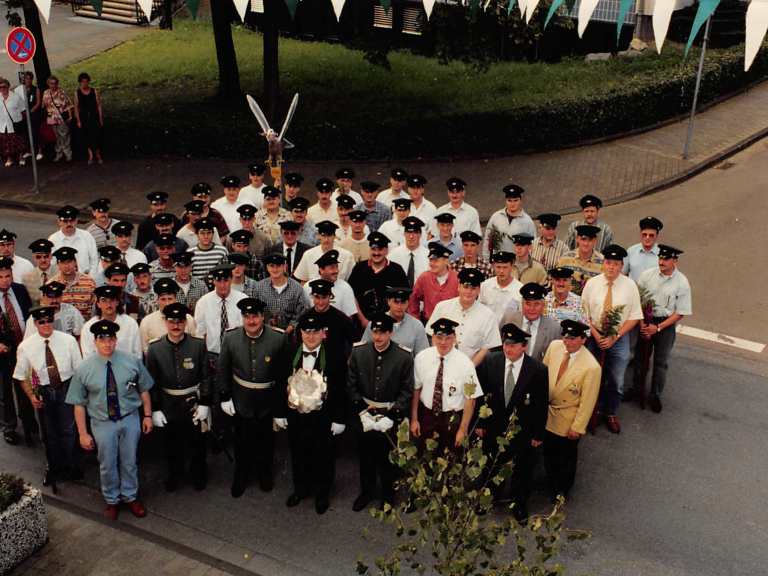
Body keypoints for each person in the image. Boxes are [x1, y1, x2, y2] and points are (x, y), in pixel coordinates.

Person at [66, 319, 154, 520]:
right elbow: (78, 403)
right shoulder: (83, 369)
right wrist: (82, 433)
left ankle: (130, 496)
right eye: (102, 339)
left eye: (111, 339)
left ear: (116, 340)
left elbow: (144, 390)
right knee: (106, 463)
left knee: (130, 460)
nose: (107, 343)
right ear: (95, 341)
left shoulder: (131, 361)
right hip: (102, 423)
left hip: (130, 418)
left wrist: (147, 415)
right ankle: (112, 499)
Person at [475, 322, 548, 521]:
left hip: (522, 430)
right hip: (493, 426)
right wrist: (480, 423)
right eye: (506, 344)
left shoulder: (538, 370)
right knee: (491, 464)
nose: (508, 349)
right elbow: (481, 396)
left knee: (523, 469)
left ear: (524, 346)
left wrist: (537, 434)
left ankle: (519, 503)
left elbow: (541, 404)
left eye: (513, 345)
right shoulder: (491, 362)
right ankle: (488, 497)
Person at [218, 298, 289, 497]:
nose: (251, 321)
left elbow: (283, 376)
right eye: (247, 317)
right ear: (242, 318)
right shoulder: (230, 338)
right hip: (242, 400)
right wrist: (225, 396)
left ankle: (264, 474)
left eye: (255, 316)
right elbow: (223, 369)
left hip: (268, 399)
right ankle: (241, 476)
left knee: (266, 442)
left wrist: (280, 409)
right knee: (242, 442)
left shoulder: (278, 338)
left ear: (262, 317)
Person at [347, 313, 414, 511]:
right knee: (365, 455)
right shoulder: (359, 352)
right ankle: (366, 492)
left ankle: (387, 495)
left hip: (389, 412)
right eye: (375, 332)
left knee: (388, 459)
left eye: (383, 333)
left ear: (390, 333)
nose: (378, 337)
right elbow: (351, 382)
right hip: (365, 410)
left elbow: (407, 389)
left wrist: (393, 414)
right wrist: (360, 408)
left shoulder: (403, 356)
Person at [284, 312, 346, 514]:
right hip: (296, 415)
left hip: (323, 417)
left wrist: (339, 418)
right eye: (306, 332)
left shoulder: (335, 355)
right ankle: (300, 489)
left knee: (323, 455)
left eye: (315, 332)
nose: (311, 336)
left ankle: (322, 494)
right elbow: (279, 383)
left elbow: (341, 389)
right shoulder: (290, 351)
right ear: (300, 333)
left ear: (323, 333)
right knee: (298, 453)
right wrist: (280, 413)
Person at [146, 302, 211, 492]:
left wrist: (205, 403)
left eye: (180, 321)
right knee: (172, 444)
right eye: (172, 321)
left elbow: (205, 375)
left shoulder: (198, 345)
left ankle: (198, 475)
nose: (176, 326)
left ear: (185, 323)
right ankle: (175, 475)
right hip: (169, 403)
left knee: (197, 443)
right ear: (165, 322)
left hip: (193, 402)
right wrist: (156, 409)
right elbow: (152, 381)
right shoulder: (155, 349)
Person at [15, 305, 83, 485]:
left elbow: (79, 370)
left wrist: (77, 395)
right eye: (41, 322)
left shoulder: (68, 341)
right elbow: (21, 376)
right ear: (35, 323)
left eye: (49, 321)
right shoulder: (26, 346)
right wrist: (31, 396)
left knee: (69, 430)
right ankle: (54, 467)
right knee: (49, 434)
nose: (46, 325)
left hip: (66, 388)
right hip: (43, 392)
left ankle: (71, 466)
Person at [581, 245, 642, 434]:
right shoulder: (592, 284)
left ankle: (611, 412)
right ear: (603, 263)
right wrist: (597, 335)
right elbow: (583, 314)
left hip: (618, 337)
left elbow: (635, 316)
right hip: (594, 335)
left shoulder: (630, 286)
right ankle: (592, 411)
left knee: (616, 378)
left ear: (622, 266)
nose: (611, 267)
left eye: (616, 264)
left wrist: (615, 337)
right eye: (608, 263)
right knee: (592, 376)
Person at [542, 320, 600, 503]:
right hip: (547, 410)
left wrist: (578, 427)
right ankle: (550, 480)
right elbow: (542, 374)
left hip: (567, 417)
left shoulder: (591, 367)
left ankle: (562, 488)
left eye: (572, 338)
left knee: (565, 456)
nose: (567, 341)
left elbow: (588, 401)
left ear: (583, 340)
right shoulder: (555, 347)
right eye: (565, 337)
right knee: (548, 451)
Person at [632, 245, 692, 413]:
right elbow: (637, 299)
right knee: (640, 357)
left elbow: (680, 312)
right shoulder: (647, 276)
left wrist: (657, 328)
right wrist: (642, 323)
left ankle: (655, 395)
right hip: (645, 320)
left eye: (666, 259)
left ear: (675, 261)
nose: (661, 262)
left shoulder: (682, 282)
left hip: (665, 326)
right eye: (660, 258)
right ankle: (637, 389)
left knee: (661, 362)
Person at [411, 317, 482, 454]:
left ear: (455, 338)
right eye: (439, 337)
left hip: (452, 419)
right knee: (425, 457)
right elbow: (416, 389)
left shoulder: (465, 364)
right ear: (433, 338)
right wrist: (414, 419)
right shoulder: (421, 358)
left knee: (450, 460)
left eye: (448, 338)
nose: (443, 342)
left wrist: (463, 429)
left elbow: (470, 399)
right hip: (427, 416)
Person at [426, 268, 501, 366]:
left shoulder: (488, 315)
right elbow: (431, 335)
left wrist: (469, 369)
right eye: (466, 287)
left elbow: (486, 347)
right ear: (459, 287)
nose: (469, 292)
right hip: (440, 364)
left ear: (478, 290)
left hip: (471, 368)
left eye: (473, 288)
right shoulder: (442, 307)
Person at [0, 256, 34, 445]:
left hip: (23, 349)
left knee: (24, 387)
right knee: (5, 391)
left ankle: (29, 423)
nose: (5, 279)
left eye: (8, 275)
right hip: (4, 352)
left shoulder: (20, 290)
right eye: (1, 276)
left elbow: (29, 315)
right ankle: (9, 426)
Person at [348, 232, 408, 325]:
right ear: (369, 250)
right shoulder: (359, 269)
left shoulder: (396, 270)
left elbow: (404, 298)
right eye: (373, 249)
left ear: (386, 251)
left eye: (380, 249)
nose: (376, 253)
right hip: (363, 323)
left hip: (391, 324)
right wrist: (363, 320)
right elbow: (351, 296)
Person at [499, 283, 561, 362]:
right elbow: (497, 347)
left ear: (543, 305)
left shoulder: (554, 328)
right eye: (528, 304)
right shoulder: (508, 319)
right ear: (522, 303)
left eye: (536, 304)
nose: (532, 308)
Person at [361, 287, 428, 356]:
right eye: (396, 302)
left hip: (406, 365)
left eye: (403, 302)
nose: (399, 306)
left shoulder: (416, 325)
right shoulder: (375, 323)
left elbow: (422, 355)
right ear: (389, 302)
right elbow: (363, 351)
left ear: (408, 303)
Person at [253, 253, 309, 334]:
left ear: (284, 267)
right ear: (267, 267)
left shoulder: (297, 288)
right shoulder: (259, 287)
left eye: (278, 266)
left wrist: (290, 327)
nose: (275, 269)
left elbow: (302, 311)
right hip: (264, 333)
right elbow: (255, 311)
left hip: (290, 336)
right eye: (272, 266)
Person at [81, 286, 142, 360]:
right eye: (104, 300)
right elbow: (87, 358)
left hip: (126, 368)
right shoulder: (88, 327)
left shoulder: (130, 324)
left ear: (117, 302)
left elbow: (137, 355)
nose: (109, 305)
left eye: (112, 300)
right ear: (98, 304)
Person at [302, 279, 356, 363]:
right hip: (311, 366)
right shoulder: (304, 318)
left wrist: (349, 361)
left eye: (324, 297)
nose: (320, 302)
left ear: (330, 296)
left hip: (336, 367)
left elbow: (354, 343)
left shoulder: (342, 319)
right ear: (312, 296)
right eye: (317, 297)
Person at [139, 279, 197, 353]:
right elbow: (146, 351)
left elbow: (194, 345)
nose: (167, 303)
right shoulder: (147, 322)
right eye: (163, 299)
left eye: (170, 299)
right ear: (157, 300)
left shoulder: (188, 319)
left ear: (175, 299)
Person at [407, 242, 459, 323]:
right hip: (428, 323)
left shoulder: (457, 279)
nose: (432, 264)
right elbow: (413, 299)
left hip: (452, 326)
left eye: (436, 261)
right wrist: (416, 321)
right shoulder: (424, 278)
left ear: (446, 261)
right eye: (431, 260)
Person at [482, 184, 536, 257]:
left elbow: (532, 246)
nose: (512, 204)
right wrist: (487, 260)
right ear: (505, 201)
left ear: (520, 201)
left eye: (515, 200)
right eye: (509, 200)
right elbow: (487, 241)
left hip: (517, 264)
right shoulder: (496, 217)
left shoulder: (527, 221)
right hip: (499, 263)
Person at [302, 250, 357, 318]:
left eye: (337, 266)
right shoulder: (308, 286)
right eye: (332, 268)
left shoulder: (345, 288)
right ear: (321, 270)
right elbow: (305, 312)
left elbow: (350, 317)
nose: (336, 271)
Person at [49, 205, 99, 275]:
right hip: (62, 279)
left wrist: (90, 278)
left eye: (71, 221)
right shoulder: (53, 239)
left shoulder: (87, 236)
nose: (69, 224)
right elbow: (52, 264)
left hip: (86, 279)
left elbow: (94, 260)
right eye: (65, 221)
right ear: (59, 221)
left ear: (76, 220)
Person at [49, 246, 96, 321]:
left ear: (75, 262)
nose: (67, 266)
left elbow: (95, 308)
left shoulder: (89, 282)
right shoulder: (51, 285)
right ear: (58, 264)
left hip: (86, 324)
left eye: (69, 262)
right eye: (63, 262)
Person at [556, 224, 604, 296]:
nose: (586, 243)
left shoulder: (602, 262)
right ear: (577, 239)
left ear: (595, 241)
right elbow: (556, 282)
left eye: (590, 240)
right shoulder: (565, 259)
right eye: (583, 239)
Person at [479, 251, 522, 322]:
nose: (501, 271)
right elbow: (480, 310)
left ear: (512, 267)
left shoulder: (519, 289)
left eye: (505, 267)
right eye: (498, 267)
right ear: (493, 266)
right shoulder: (485, 285)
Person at [388, 216, 429, 288]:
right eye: (408, 232)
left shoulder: (428, 256)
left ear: (420, 234)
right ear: (404, 234)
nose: (411, 236)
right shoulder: (393, 255)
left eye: (414, 233)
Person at [41, 75, 74, 163]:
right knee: (57, 137)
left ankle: (68, 154)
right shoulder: (46, 93)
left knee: (64, 135)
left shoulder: (61, 92)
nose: (53, 85)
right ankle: (59, 154)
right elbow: (43, 105)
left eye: (55, 83)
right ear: (48, 84)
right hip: (51, 117)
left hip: (61, 117)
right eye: (51, 83)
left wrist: (70, 116)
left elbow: (69, 105)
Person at [73, 72, 103, 165]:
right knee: (86, 136)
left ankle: (98, 154)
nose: (84, 84)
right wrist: (78, 120)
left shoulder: (94, 91)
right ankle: (90, 155)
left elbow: (98, 105)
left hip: (94, 116)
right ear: (80, 82)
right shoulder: (77, 93)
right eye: (82, 82)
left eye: (86, 82)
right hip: (84, 117)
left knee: (96, 135)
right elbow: (76, 107)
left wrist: (101, 118)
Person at [623, 216, 663, 282]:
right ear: (640, 234)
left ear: (657, 236)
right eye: (644, 234)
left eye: (651, 235)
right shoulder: (631, 251)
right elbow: (622, 274)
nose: (647, 238)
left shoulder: (662, 254)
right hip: (633, 291)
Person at [14, 71, 42, 162]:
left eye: (30, 79)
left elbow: (38, 103)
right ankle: (29, 150)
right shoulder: (20, 90)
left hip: (33, 114)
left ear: (32, 79)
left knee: (35, 132)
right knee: (26, 133)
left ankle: (39, 151)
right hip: (24, 114)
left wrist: (31, 111)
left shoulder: (36, 89)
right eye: (26, 79)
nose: (28, 80)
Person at [0, 77, 27, 167]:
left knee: (18, 142)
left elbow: (23, 109)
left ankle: (21, 157)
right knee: (5, 143)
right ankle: (9, 158)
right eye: (0, 87)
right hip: (3, 124)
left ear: (8, 87)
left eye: (4, 87)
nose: (2, 89)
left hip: (15, 123)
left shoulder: (15, 97)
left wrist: (22, 122)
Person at [23, 239, 57, 305]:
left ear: (51, 256)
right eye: (38, 257)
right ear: (33, 257)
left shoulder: (59, 273)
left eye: (46, 256)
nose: (43, 260)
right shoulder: (27, 278)